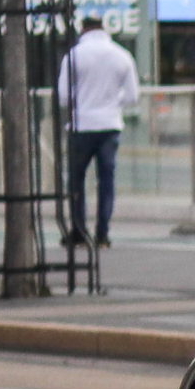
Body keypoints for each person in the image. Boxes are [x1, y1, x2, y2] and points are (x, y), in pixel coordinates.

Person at [59, 15, 140, 249]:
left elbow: (64, 96)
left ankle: (78, 231)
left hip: (81, 125)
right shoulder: (122, 55)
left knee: (76, 182)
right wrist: (113, 102)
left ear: (83, 29)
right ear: (103, 29)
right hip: (110, 124)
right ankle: (102, 234)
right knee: (106, 181)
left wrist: (82, 101)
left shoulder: (74, 56)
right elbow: (133, 96)